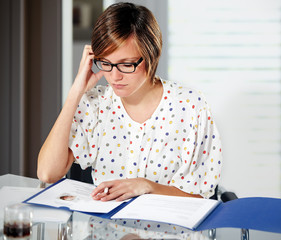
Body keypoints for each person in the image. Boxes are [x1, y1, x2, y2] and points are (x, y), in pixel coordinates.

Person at [37, 2, 222, 202]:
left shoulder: (190, 106)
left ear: (152, 56)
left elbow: (200, 196)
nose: (114, 76)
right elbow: (47, 173)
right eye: (105, 63)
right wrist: (76, 91)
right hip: (105, 230)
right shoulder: (96, 104)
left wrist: (147, 187)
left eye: (126, 64)